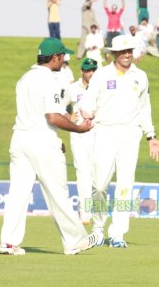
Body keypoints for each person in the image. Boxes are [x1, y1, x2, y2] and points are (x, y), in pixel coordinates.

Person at [0, 38, 98, 256]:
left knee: (18, 193)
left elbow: (37, 114)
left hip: (20, 139)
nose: (64, 61)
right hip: (41, 140)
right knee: (57, 192)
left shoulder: (24, 79)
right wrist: (79, 129)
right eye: (62, 57)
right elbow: (52, 116)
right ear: (54, 57)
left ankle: (8, 242)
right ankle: (75, 241)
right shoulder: (51, 81)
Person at [79, 35, 159, 248]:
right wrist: (86, 113)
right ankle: (98, 229)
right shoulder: (101, 75)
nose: (128, 54)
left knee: (125, 186)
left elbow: (145, 107)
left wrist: (151, 136)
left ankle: (117, 233)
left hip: (130, 134)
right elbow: (87, 101)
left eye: (130, 50)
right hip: (105, 132)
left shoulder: (141, 76)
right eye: (123, 51)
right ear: (114, 54)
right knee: (99, 185)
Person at [65, 58, 98, 225]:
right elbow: (58, 105)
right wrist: (67, 116)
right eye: (88, 70)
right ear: (82, 72)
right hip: (77, 134)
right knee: (82, 170)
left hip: (96, 134)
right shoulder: (72, 88)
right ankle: (85, 212)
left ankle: (91, 208)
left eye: (93, 70)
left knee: (95, 173)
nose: (91, 73)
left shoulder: (100, 87)